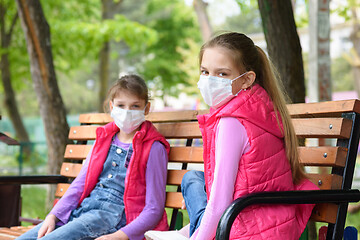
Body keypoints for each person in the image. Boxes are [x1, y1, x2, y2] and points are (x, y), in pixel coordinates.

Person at [145, 32, 318, 240]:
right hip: (271, 220)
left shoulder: (231, 121)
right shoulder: (260, 109)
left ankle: (188, 235)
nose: (210, 81)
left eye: (222, 74)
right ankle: (187, 232)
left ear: (246, 79)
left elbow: (220, 204)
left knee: (196, 184)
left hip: (246, 227)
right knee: (194, 178)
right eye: (205, 72)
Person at [17, 74, 170, 240]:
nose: (127, 112)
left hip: (113, 218)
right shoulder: (104, 140)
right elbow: (80, 184)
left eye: (135, 106)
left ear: (146, 109)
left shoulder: (154, 148)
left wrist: (120, 236)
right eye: (121, 105)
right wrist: (53, 216)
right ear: (112, 107)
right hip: (85, 209)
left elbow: (154, 208)